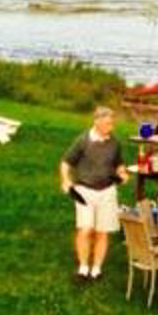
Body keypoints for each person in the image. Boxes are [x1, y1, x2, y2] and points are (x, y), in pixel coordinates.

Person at [59, 106, 129, 280]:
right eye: (107, 124)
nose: (110, 127)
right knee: (85, 229)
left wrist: (122, 173)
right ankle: (83, 267)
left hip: (107, 190)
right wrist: (66, 180)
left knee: (102, 231)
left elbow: (119, 163)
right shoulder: (83, 141)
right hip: (84, 190)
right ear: (96, 122)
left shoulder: (115, 142)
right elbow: (66, 163)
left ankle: (96, 269)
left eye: (112, 123)